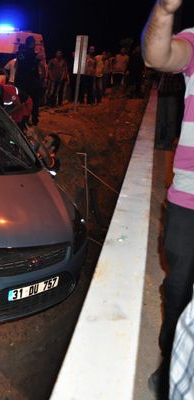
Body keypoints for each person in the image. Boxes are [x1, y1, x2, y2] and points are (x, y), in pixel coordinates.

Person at [142, 0, 194, 396]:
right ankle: (170, 366)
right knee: (178, 291)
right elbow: (157, 55)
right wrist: (164, 9)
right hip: (189, 199)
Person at [15, 37, 44, 125]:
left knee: (23, 102)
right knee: (34, 102)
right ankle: (33, 120)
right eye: (34, 43)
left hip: (21, 82)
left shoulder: (21, 53)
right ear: (32, 43)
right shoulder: (30, 53)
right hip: (30, 82)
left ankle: (23, 120)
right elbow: (30, 66)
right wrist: (37, 59)